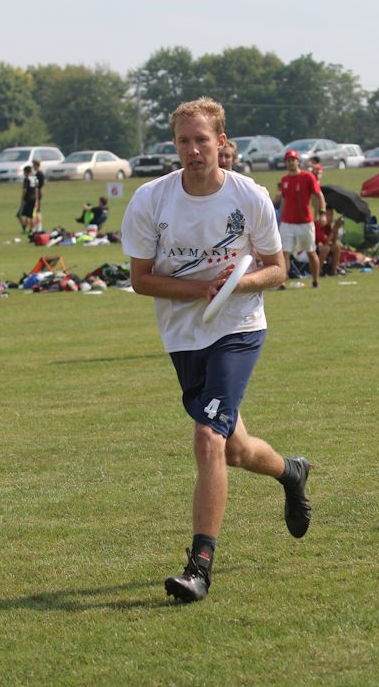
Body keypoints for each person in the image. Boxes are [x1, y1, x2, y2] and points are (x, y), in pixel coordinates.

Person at [120, 97, 311, 604]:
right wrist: (200, 290)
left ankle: (199, 566)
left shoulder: (249, 195)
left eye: (202, 140)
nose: (193, 150)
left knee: (207, 439)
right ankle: (291, 471)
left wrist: (236, 285)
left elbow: (278, 268)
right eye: (183, 141)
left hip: (238, 327)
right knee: (235, 450)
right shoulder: (150, 199)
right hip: (184, 336)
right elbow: (140, 280)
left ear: (221, 142)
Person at [274, 149, 326, 287]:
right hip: (288, 223)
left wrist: (322, 213)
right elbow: (284, 201)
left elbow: (319, 195)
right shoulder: (284, 180)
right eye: (288, 161)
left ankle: (315, 280)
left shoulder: (307, 177)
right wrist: (280, 221)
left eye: (293, 160)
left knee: (310, 252)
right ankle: (282, 281)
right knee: (284, 253)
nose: (290, 163)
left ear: (297, 161)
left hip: (305, 222)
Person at [315, 207, 344, 276]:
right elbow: (326, 242)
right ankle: (317, 272)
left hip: (318, 249)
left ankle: (333, 271)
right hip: (308, 251)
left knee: (336, 247)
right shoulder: (316, 225)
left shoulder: (327, 226)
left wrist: (336, 229)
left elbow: (333, 241)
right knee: (326, 248)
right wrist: (334, 229)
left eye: (332, 215)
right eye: (329, 215)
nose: (331, 218)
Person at [18, 165, 39, 234]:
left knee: (23, 215)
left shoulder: (26, 179)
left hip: (28, 199)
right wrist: (36, 199)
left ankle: (27, 228)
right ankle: (32, 229)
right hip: (34, 198)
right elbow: (36, 189)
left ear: (26, 172)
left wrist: (22, 199)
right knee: (32, 215)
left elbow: (25, 190)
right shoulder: (35, 178)